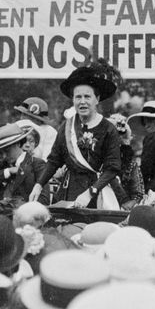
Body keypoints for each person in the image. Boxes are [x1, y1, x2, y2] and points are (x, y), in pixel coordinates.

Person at [30, 62, 122, 209]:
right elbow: (54, 160)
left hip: (98, 191)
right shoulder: (66, 127)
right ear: (73, 100)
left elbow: (112, 168)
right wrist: (39, 185)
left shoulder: (108, 129)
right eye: (78, 97)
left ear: (97, 99)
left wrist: (90, 193)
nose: (82, 102)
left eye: (87, 96)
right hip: (69, 189)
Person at [0, 124, 46, 202]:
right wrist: (8, 171)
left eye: (7, 150)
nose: (4, 156)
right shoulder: (3, 165)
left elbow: (44, 199)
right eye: (0, 153)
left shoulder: (37, 164)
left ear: (18, 144)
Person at [14, 96, 58, 161]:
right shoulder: (18, 128)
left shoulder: (50, 132)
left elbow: (47, 160)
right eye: (22, 114)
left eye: (25, 115)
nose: (21, 118)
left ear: (37, 118)